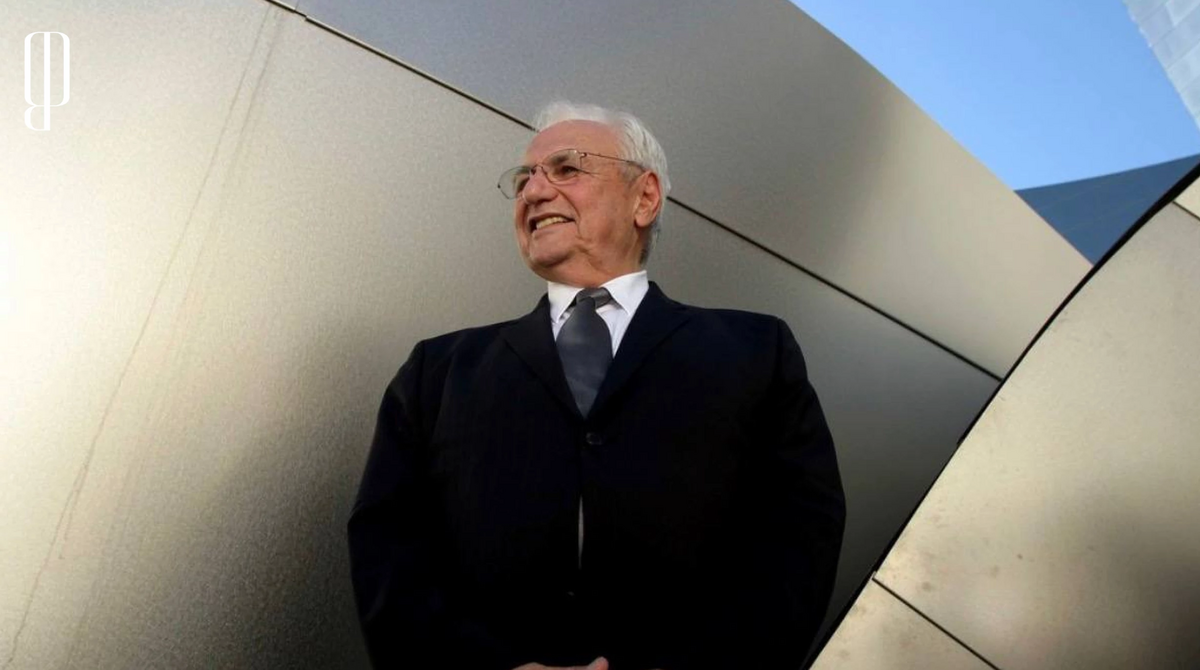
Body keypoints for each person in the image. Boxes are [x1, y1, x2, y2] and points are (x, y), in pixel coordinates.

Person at [348, 101, 846, 670]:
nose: (534, 192)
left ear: (645, 198)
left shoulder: (757, 353)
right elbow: (387, 546)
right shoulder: (436, 372)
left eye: (566, 168)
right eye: (524, 179)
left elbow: (799, 537)